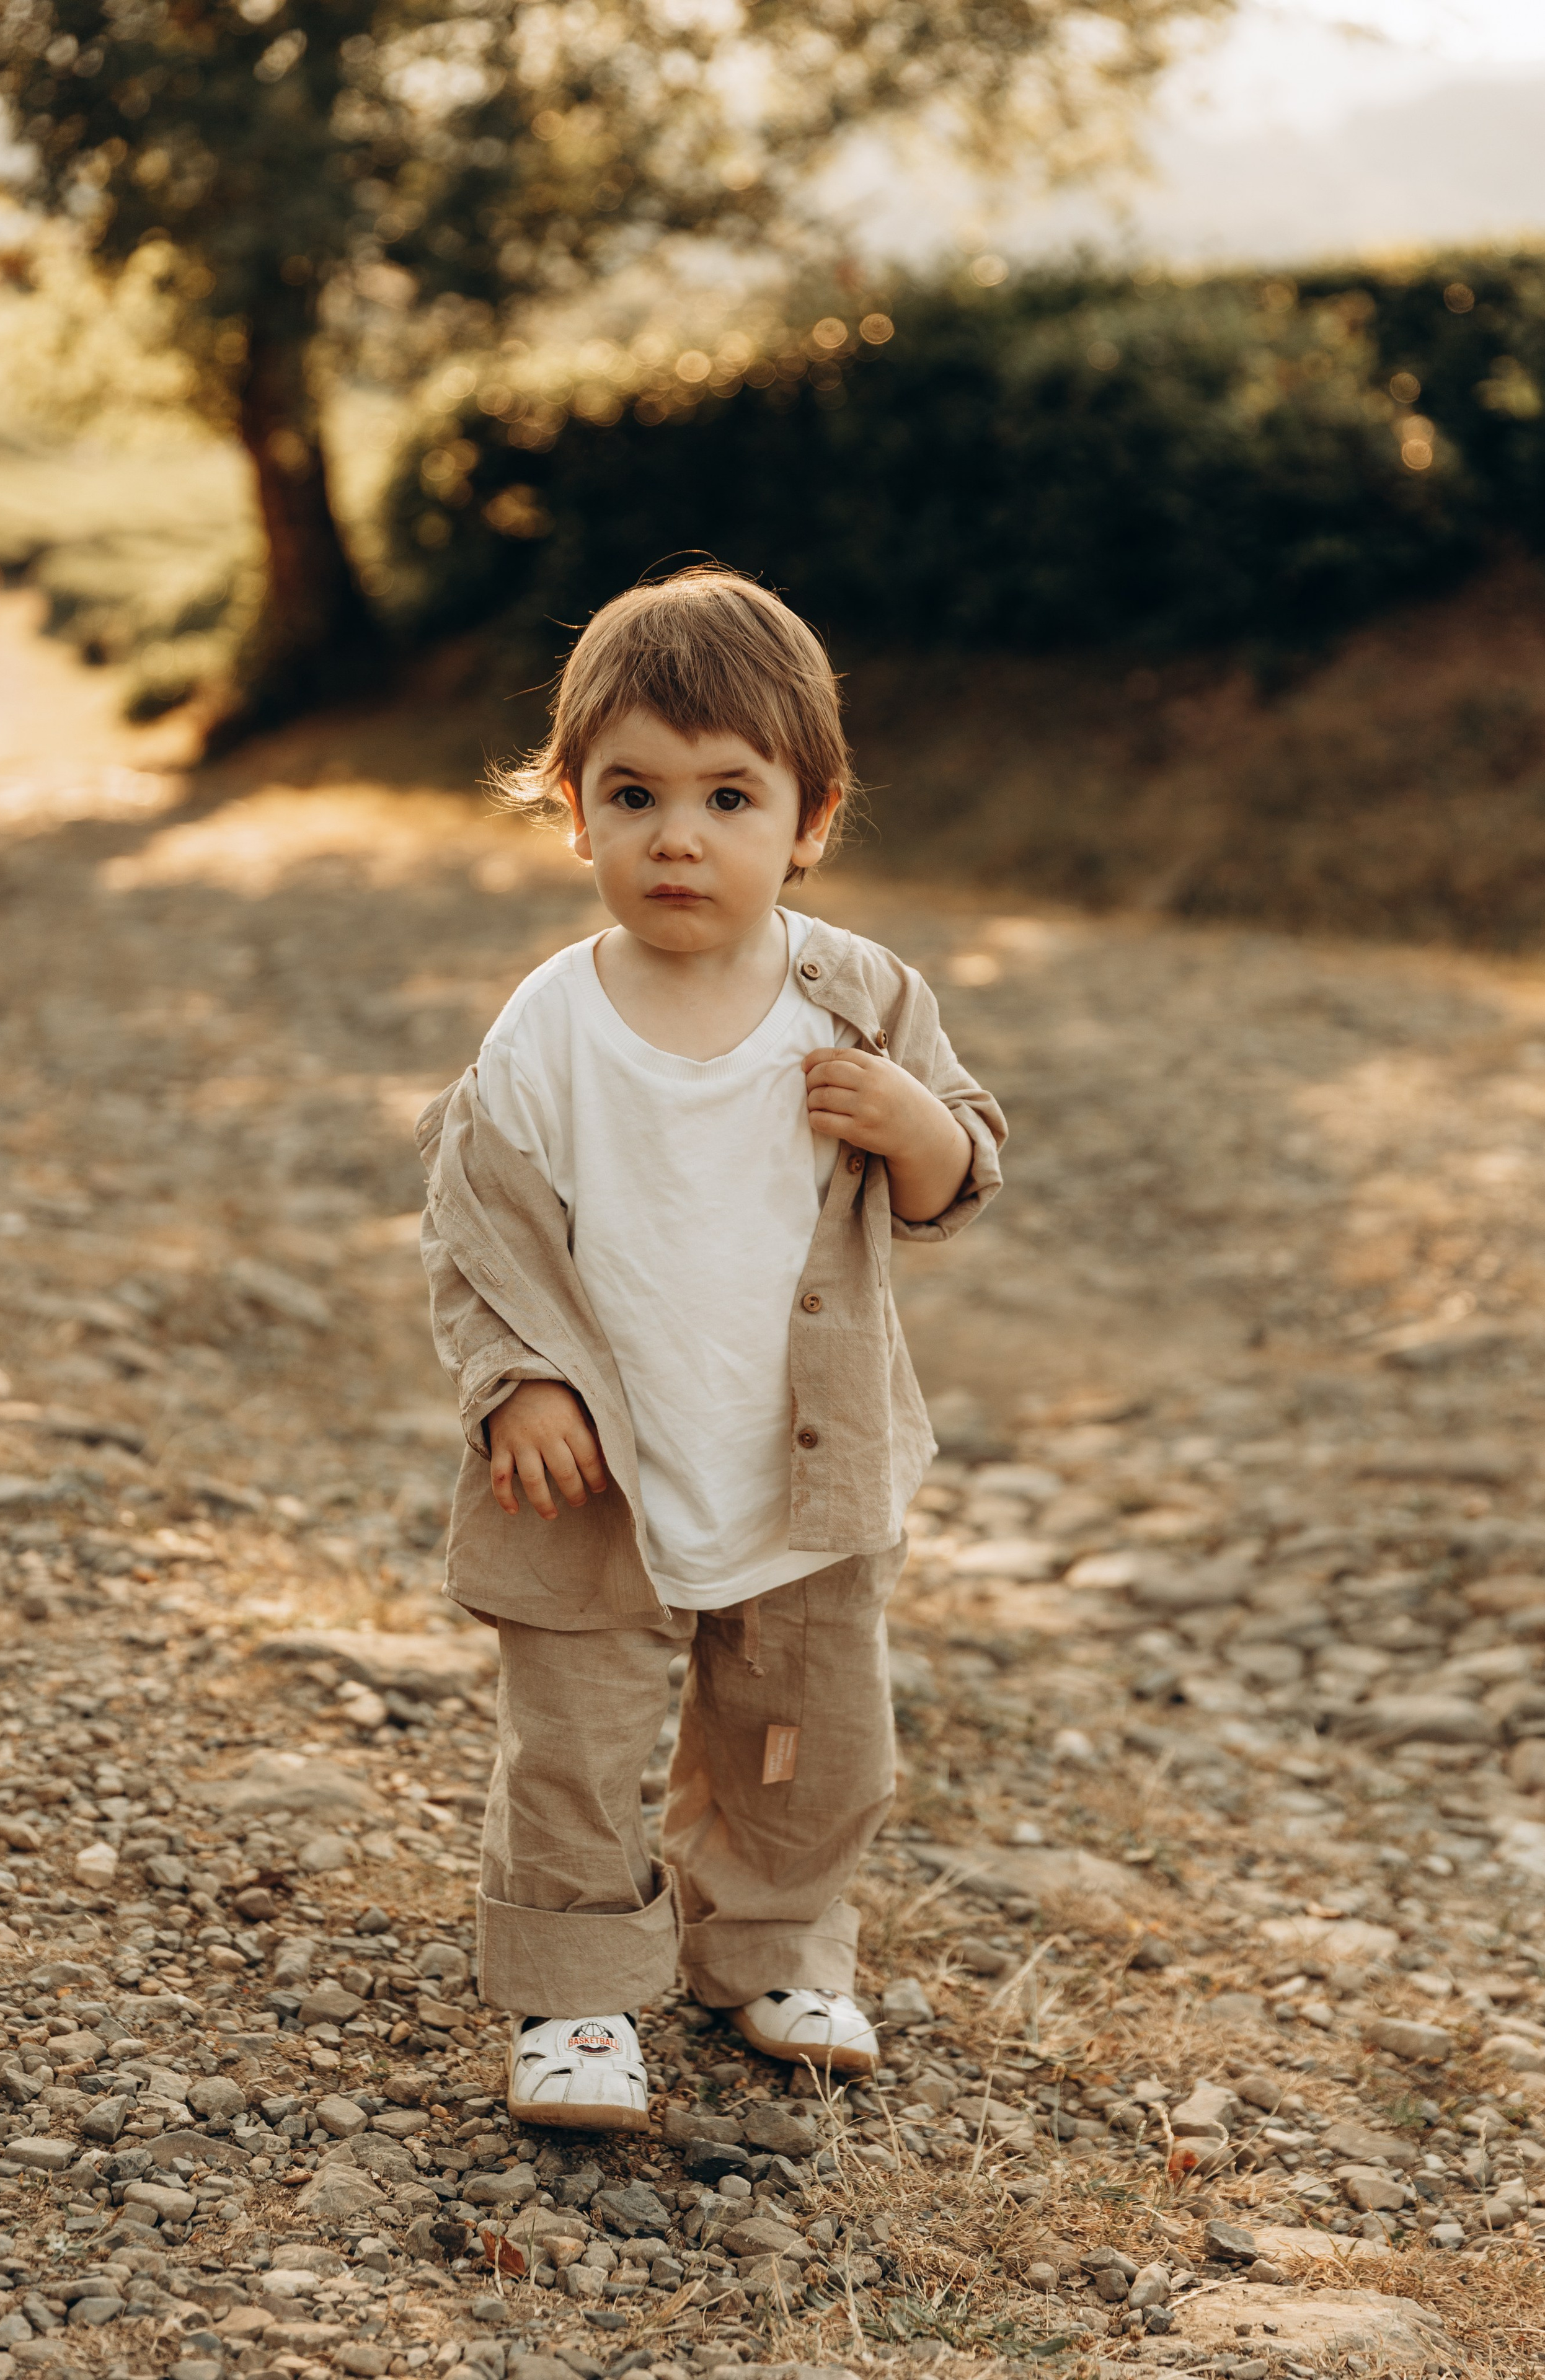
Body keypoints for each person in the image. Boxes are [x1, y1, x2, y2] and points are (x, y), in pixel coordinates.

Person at [415, 565, 1006, 2130]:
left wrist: (917, 1127)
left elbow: (955, 1178)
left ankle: (772, 1944)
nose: (678, 837)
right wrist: (518, 1382)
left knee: (803, 1739)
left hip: (797, 1468)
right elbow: (477, 1229)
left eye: (728, 797)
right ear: (573, 814)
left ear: (809, 819)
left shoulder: (857, 999)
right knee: (574, 1742)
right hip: (594, 1474)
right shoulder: (549, 1026)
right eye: (634, 796)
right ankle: (574, 1994)